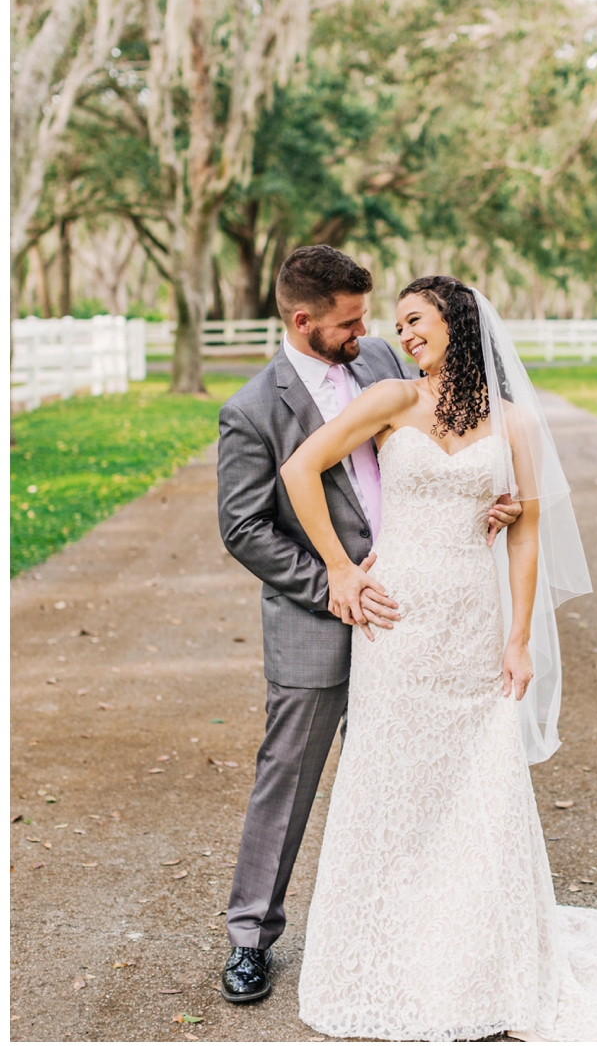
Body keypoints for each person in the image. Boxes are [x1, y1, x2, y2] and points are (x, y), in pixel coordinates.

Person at [280, 275, 597, 1042]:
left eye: (417, 319)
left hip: (473, 621)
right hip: (396, 624)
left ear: (458, 319)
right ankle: (387, 955)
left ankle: (477, 963)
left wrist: (519, 635)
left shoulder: (519, 423)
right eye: (399, 325)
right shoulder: (393, 400)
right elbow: (301, 469)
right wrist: (339, 567)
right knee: (390, 781)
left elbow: (526, 530)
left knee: (478, 790)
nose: (406, 335)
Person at [216, 249, 520, 1004]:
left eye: (368, 317)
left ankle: (416, 931)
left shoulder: (385, 359)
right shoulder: (253, 408)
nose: (366, 333)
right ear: (302, 321)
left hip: (423, 618)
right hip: (322, 615)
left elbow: (470, 423)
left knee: (406, 778)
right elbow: (244, 527)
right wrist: (337, 584)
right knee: (288, 778)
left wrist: (489, 495)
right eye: (348, 322)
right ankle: (251, 938)